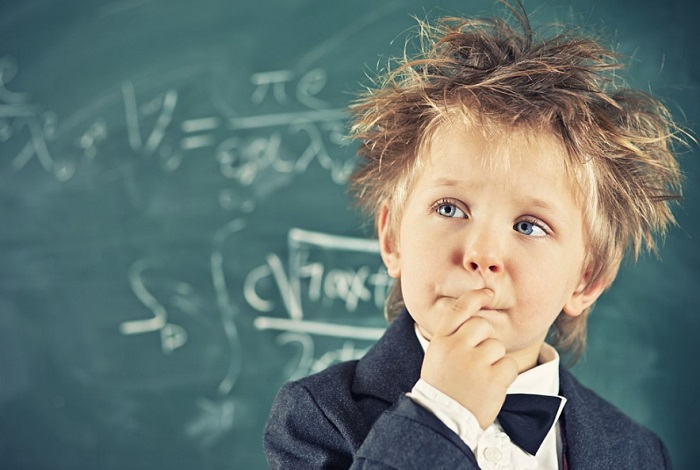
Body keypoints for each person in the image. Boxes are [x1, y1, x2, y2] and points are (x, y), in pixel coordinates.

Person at [264, 2, 688, 468]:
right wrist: (442, 415)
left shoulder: (638, 453)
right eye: (450, 208)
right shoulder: (317, 417)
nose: (482, 254)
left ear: (586, 280)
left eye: (529, 226)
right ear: (392, 239)